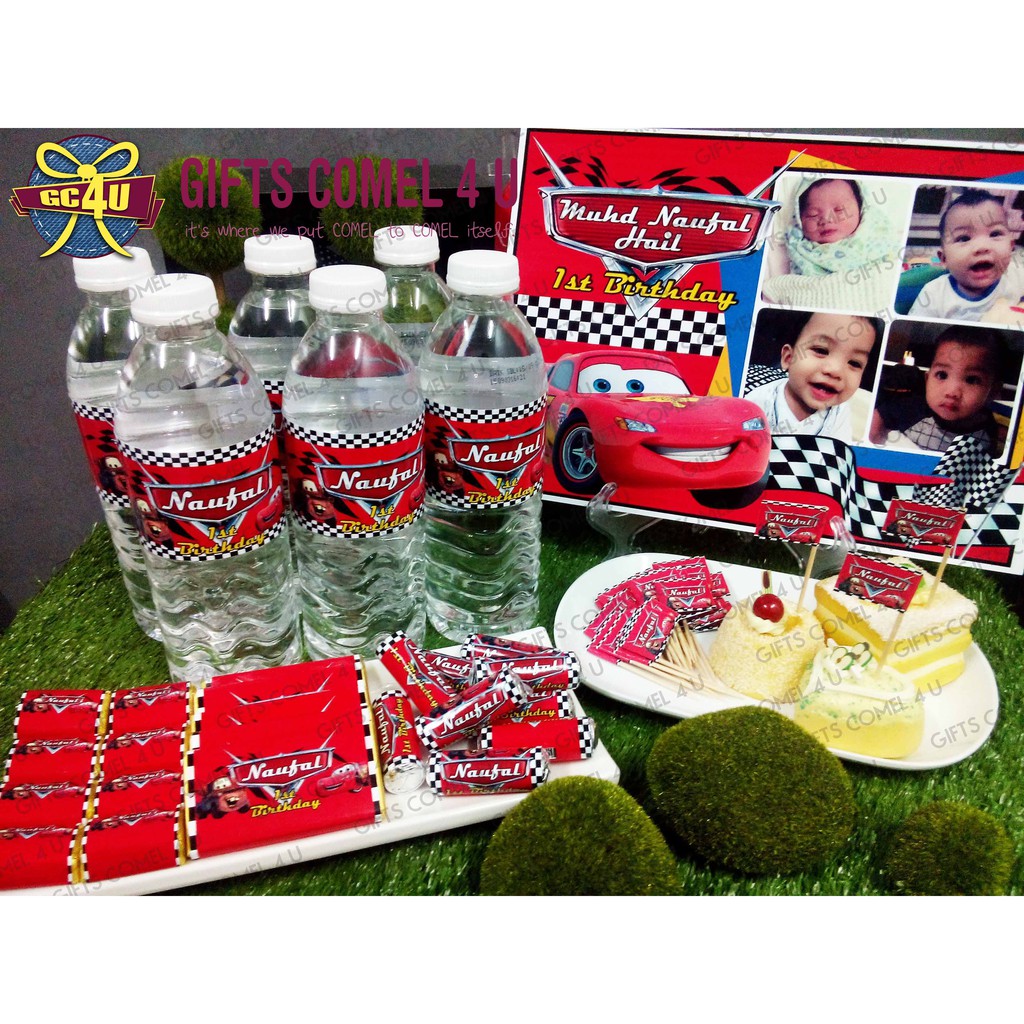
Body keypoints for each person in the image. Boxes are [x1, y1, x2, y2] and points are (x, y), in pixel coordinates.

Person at [744, 311, 878, 441]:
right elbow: (742, 437)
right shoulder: (759, 401)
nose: (835, 371)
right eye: (821, 350)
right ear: (788, 358)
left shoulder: (839, 411)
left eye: (854, 363)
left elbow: (838, 448)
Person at [870, 326, 1005, 454]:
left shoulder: (988, 428)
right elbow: (879, 414)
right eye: (942, 375)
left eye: (972, 380)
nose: (952, 392)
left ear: (992, 392)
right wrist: (873, 442)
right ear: (927, 379)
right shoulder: (914, 408)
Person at [909, 189, 1024, 322]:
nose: (982, 247)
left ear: (1011, 246)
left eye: (994, 234)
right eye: (964, 238)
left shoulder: (1017, 275)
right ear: (944, 259)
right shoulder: (933, 295)